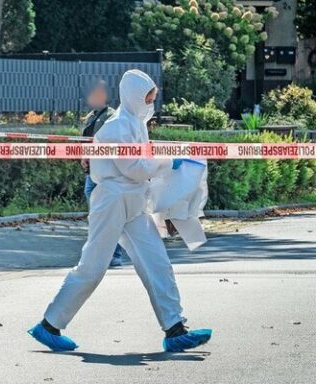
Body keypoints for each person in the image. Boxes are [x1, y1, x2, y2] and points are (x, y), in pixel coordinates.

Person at [28, 70, 212, 353]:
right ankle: (50, 324)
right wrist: (166, 162)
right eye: (148, 97)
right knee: (92, 267)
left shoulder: (137, 125)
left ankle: (175, 329)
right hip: (112, 201)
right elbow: (135, 168)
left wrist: (162, 170)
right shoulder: (115, 128)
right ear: (134, 96)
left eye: (153, 97)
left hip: (134, 203)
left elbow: (141, 168)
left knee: (157, 262)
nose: (151, 103)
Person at [80, 80, 125, 267]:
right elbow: (86, 141)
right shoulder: (92, 116)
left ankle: (114, 254)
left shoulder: (111, 116)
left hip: (104, 172)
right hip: (92, 171)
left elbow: (110, 143)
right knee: (98, 215)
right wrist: (83, 157)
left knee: (107, 215)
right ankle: (101, 253)